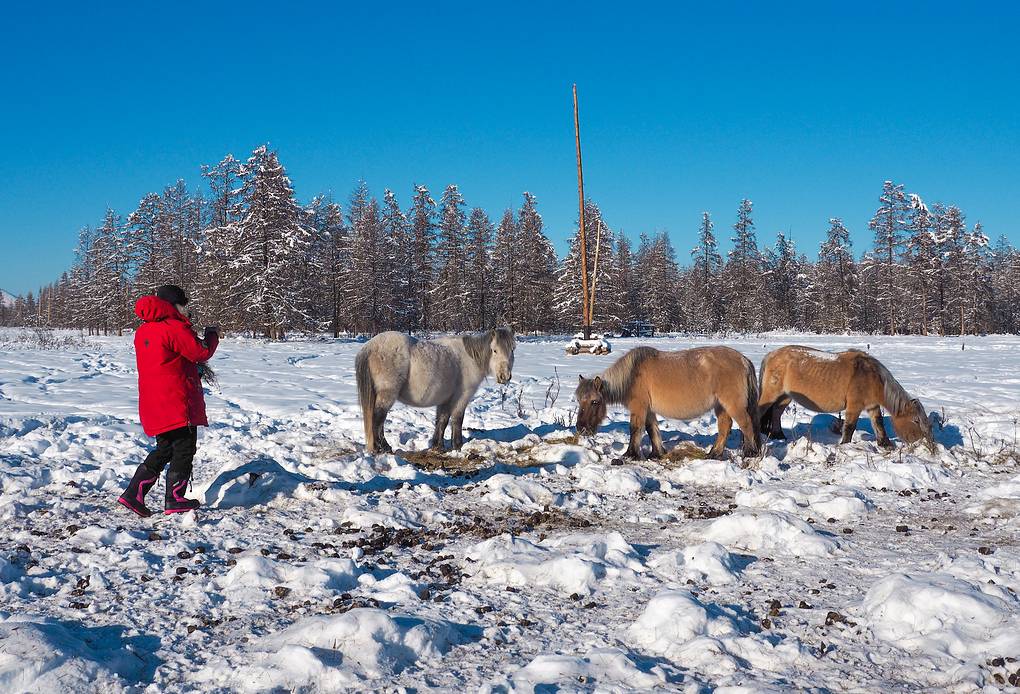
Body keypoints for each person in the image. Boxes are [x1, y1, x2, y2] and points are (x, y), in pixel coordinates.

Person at [118, 285, 219, 516]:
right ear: (174, 305)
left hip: (155, 402)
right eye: (184, 305)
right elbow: (199, 352)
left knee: (164, 449)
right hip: (177, 402)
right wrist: (212, 336)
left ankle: (133, 494)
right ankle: (175, 499)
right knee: (184, 449)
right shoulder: (173, 328)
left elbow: (169, 360)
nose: (187, 310)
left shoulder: (144, 331)